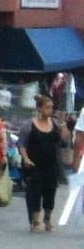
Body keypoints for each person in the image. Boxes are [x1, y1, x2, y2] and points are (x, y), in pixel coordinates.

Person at [17, 91, 72, 232]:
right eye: (47, 107)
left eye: (51, 107)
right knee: (34, 191)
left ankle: (47, 217)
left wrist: (63, 123)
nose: (50, 110)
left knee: (50, 191)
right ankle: (35, 221)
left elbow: (65, 139)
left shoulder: (54, 123)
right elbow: (21, 144)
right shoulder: (29, 125)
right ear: (39, 108)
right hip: (33, 164)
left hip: (51, 165)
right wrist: (25, 158)